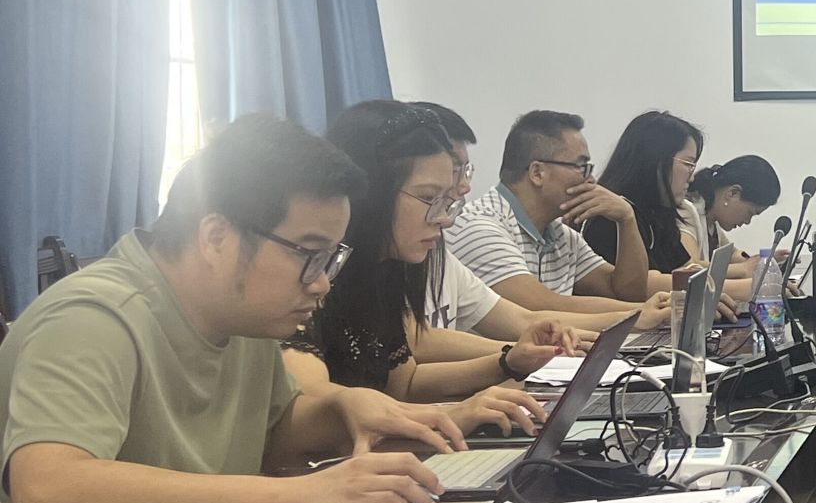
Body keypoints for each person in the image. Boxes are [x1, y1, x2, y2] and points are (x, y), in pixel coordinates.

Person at [0, 115, 451, 503]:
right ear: (216, 238)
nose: (322, 283)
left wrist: (341, 408)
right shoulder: (94, 317)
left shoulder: (242, 318)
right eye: (309, 254)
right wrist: (301, 495)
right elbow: (49, 495)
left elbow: (270, 434)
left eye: (331, 258)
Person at [283, 101, 573, 437]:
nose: (445, 218)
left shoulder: (382, 271)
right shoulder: (310, 280)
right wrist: (450, 415)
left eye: (447, 201)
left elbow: (404, 383)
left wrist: (508, 363)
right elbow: (317, 400)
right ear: (373, 192)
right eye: (429, 198)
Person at [410, 100, 660, 344]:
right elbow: (538, 308)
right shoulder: (477, 226)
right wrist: (638, 314)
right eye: (581, 167)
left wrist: (626, 219)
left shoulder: (561, 234)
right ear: (537, 172)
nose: (591, 180)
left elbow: (625, 292)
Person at [586, 110, 705, 276]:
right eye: (688, 164)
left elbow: (686, 270)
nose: (691, 178)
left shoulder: (657, 214)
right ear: (656, 161)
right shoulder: (611, 217)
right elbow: (641, 284)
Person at [682, 155, 784, 292]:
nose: (747, 221)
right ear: (732, 193)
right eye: (750, 213)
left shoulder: (712, 222)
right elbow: (690, 268)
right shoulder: (688, 211)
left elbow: (732, 255)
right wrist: (742, 269)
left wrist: (765, 262)